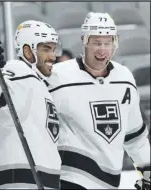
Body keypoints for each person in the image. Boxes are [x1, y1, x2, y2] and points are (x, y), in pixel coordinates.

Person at [47, 12, 151, 189]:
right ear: (84, 41)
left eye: (107, 42)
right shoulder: (56, 76)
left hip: (110, 182)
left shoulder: (124, 78)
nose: (102, 49)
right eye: (96, 42)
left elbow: (135, 138)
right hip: (68, 179)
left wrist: (148, 173)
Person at [0, 20, 61, 189]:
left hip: (35, 181)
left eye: (53, 49)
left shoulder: (40, 85)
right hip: (17, 179)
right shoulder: (18, 70)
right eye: (46, 49)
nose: (53, 56)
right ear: (27, 51)